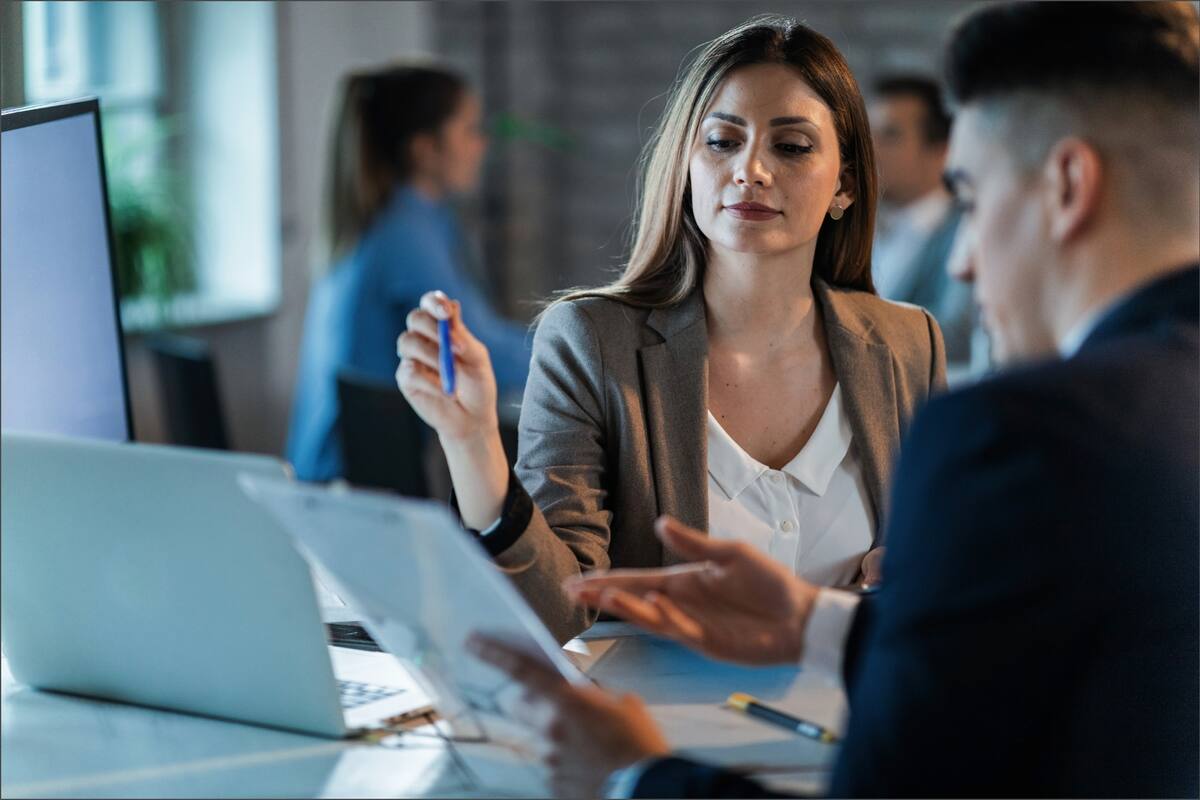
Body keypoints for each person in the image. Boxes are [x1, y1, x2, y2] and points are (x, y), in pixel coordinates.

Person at [467, 2, 1200, 797]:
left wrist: (630, 776)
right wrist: (820, 623)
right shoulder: (594, 336)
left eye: (973, 196)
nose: (960, 260)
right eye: (721, 141)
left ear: (1067, 184)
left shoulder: (997, 419)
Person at [396, 17, 947, 644]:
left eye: (791, 147)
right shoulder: (589, 341)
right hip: (658, 728)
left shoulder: (909, 345)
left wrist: (926, 571)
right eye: (721, 141)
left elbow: (944, 571)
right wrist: (472, 445)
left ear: (844, 184)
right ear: (686, 163)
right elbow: (555, 612)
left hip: (854, 725)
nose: (751, 170)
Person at [287, 63, 531, 482]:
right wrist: (583, 360)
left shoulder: (387, 220)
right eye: (470, 130)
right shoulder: (407, 235)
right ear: (425, 149)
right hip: (350, 489)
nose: (482, 144)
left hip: (326, 470)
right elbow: (479, 346)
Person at [870, 75, 978, 372]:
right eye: (870, 134)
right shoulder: (855, 227)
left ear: (942, 151)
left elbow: (957, 335)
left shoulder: (968, 229)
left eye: (890, 135)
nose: (871, 149)